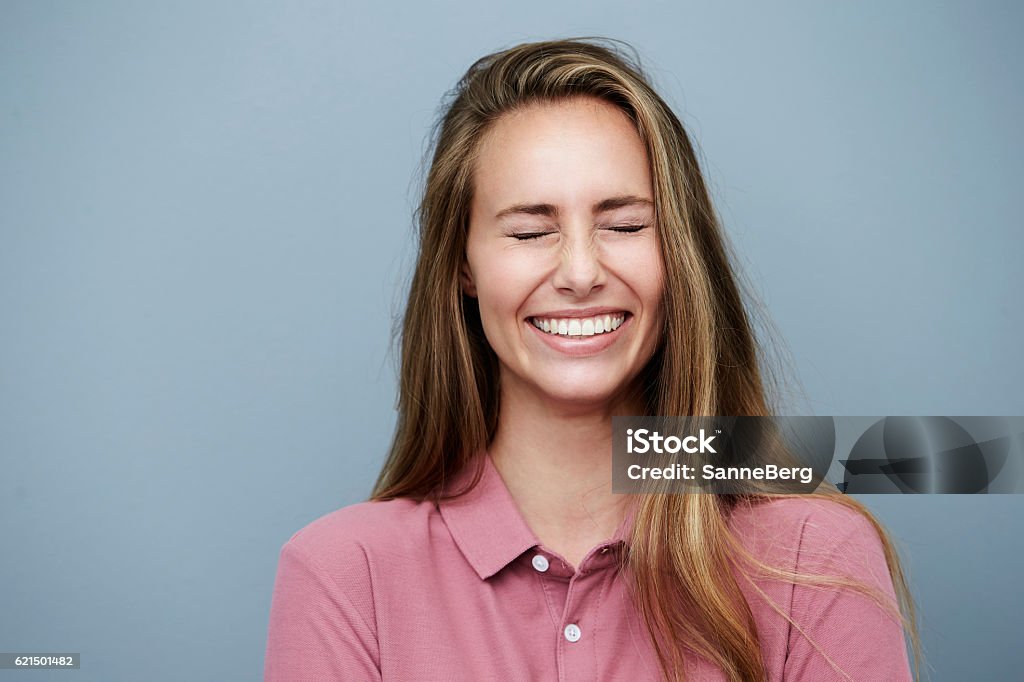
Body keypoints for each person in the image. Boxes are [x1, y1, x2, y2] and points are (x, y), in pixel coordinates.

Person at [264, 37, 919, 681]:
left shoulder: (815, 557)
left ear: (678, 257)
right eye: (529, 231)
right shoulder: (344, 576)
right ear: (463, 266)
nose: (580, 272)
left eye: (626, 225)